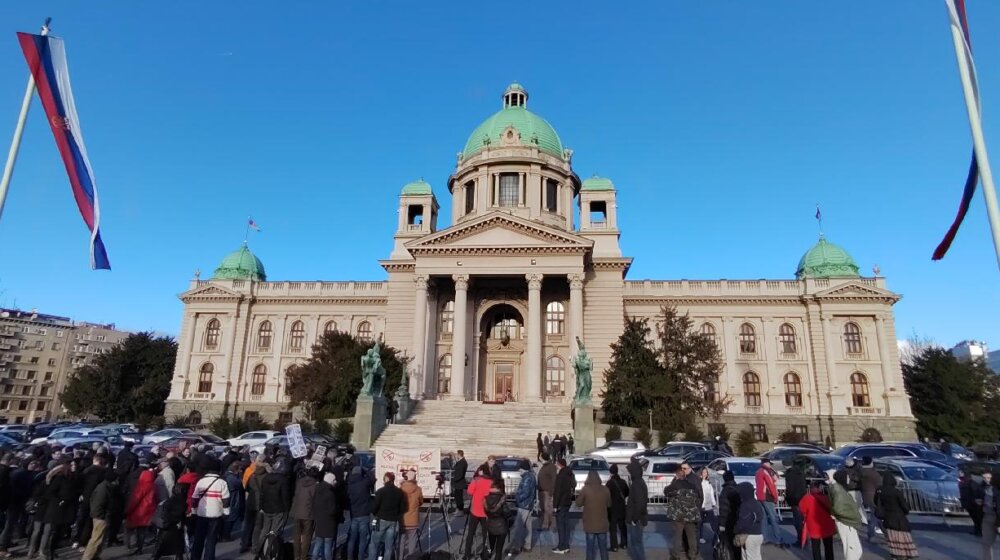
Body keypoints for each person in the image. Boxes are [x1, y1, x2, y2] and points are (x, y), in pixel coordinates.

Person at [190, 457, 232, 560]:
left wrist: (194, 511)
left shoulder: (201, 481)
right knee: (211, 539)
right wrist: (226, 513)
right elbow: (226, 500)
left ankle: (195, 557)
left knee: (198, 538)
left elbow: (194, 499)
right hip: (216, 514)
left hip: (202, 514)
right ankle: (208, 557)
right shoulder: (222, 483)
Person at [663, 464, 701, 560]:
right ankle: (692, 555)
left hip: (678, 516)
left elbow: (666, 491)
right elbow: (698, 498)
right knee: (692, 536)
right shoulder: (692, 486)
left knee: (677, 536)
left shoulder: (675, 485)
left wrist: (674, 481)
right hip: (691, 515)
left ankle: (676, 555)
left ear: (677, 475)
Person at [876, 474, 918, 559]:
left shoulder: (880, 491)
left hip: (888, 517)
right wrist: (906, 511)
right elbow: (904, 505)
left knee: (892, 537)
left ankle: (896, 554)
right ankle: (907, 553)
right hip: (899, 517)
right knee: (903, 536)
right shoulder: (896, 492)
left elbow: (876, 502)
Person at [256, 459, 291, 556]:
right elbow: (285, 497)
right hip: (279, 509)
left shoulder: (266, 478)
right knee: (274, 532)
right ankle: (271, 552)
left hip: (267, 508)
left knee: (264, 530)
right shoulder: (284, 480)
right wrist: (287, 509)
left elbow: (262, 494)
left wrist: (261, 507)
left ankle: (259, 550)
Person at [369, 472, 406, 560]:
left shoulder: (381, 491)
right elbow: (402, 508)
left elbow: (374, 506)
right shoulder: (399, 492)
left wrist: (375, 514)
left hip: (380, 519)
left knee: (374, 544)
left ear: (386, 479)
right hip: (393, 521)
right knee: (389, 546)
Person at [754, 458, 790, 547]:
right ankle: (778, 539)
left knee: (764, 518)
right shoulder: (767, 471)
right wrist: (775, 497)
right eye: (769, 463)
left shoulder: (758, 471)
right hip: (768, 497)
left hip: (760, 497)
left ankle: (765, 538)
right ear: (766, 463)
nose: (770, 465)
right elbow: (770, 484)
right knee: (774, 518)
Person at [82, 470, 117, 560]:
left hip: (101, 516)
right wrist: (103, 516)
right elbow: (98, 504)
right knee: (96, 539)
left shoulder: (106, 487)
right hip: (101, 517)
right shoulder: (104, 489)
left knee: (100, 539)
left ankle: (95, 555)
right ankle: (87, 557)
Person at [576, 471, 611, 560]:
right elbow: (609, 504)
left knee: (590, 548)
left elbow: (578, 503)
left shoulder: (585, 489)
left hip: (589, 523)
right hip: (602, 523)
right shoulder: (605, 489)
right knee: (603, 548)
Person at [829, 471, 863, 560]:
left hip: (848, 522)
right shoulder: (839, 491)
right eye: (847, 477)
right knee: (851, 549)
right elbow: (838, 509)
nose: (849, 479)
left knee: (856, 549)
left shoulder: (841, 489)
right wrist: (852, 516)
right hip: (846, 522)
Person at [797, 481, 835, 560]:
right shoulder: (826, 497)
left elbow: (801, 509)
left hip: (813, 525)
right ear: (820, 488)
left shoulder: (807, 498)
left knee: (815, 547)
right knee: (828, 547)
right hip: (827, 525)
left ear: (811, 488)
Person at [506, 459, 536, 556]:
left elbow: (525, 493)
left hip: (524, 505)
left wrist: (517, 498)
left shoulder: (527, 478)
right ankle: (527, 546)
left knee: (519, 526)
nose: (519, 471)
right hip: (529, 504)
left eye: (520, 469)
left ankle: (517, 547)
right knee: (528, 526)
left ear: (524, 469)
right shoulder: (531, 476)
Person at [125, 465, 157, 555]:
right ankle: (140, 548)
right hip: (149, 511)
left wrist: (127, 510)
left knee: (134, 530)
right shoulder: (154, 485)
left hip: (139, 512)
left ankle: (134, 547)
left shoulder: (141, 485)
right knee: (142, 531)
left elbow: (135, 500)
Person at [465, 466, 494, 560]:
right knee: (486, 533)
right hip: (486, 511)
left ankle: (467, 554)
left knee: (471, 533)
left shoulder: (476, 480)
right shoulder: (491, 482)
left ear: (481, 471)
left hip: (475, 510)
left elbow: (469, 492)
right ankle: (485, 553)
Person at [311, 472, 342, 560]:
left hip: (319, 521)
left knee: (317, 544)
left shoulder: (318, 490)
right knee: (328, 547)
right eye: (334, 480)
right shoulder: (330, 494)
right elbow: (332, 510)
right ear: (330, 481)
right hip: (328, 524)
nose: (335, 482)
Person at [346, 465, 374, 560]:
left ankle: (349, 557)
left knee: (352, 539)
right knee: (363, 539)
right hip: (364, 514)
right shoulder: (364, 483)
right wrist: (366, 470)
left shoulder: (349, 483)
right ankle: (360, 557)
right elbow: (373, 478)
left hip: (354, 514)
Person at [291, 467, 318, 560]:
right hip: (308, 513)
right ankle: (303, 556)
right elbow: (315, 500)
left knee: (296, 536)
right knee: (307, 537)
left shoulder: (299, 482)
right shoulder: (315, 485)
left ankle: (296, 556)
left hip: (297, 512)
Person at [624, 459, 647, 560]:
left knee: (636, 543)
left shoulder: (637, 484)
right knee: (637, 543)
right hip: (638, 518)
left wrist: (634, 519)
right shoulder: (639, 481)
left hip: (636, 519)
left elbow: (640, 504)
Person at [552, 458, 576, 554]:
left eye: (556, 464)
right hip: (567, 502)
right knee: (566, 525)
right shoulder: (570, 474)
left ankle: (561, 546)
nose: (555, 466)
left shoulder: (560, 475)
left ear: (560, 465)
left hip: (561, 503)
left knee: (561, 526)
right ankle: (566, 546)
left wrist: (555, 505)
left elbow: (557, 492)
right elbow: (574, 485)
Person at [734, 482, 763, 560]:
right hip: (758, 534)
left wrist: (735, 530)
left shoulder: (745, 505)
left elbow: (742, 522)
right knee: (756, 556)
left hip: (749, 536)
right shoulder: (757, 503)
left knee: (749, 557)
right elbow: (760, 517)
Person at [716, 471, 741, 560]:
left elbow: (723, 509)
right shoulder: (737, 488)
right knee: (737, 544)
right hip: (738, 520)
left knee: (729, 544)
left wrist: (722, 525)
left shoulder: (725, 491)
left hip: (728, 521)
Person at [399, 468, 424, 558]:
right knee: (412, 540)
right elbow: (421, 501)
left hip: (403, 519)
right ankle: (411, 557)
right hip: (413, 519)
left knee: (401, 540)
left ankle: (400, 557)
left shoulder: (401, 488)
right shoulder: (418, 489)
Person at [783, 457, 807, 544]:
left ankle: (800, 539)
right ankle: (804, 538)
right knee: (802, 520)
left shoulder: (789, 475)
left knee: (797, 521)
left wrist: (788, 498)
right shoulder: (800, 472)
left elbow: (790, 489)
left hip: (794, 499)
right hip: (802, 498)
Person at [859, 456, 883, 542]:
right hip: (875, 497)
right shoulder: (873, 473)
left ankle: (874, 533)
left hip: (866, 496)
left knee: (876, 516)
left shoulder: (861, 472)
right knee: (876, 516)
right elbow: (880, 484)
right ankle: (872, 534)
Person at [606, 464, 629, 552]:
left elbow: (606, 495)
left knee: (613, 528)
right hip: (622, 507)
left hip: (612, 508)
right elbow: (627, 492)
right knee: (622, 526)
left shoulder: (609, 483)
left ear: (610, 472)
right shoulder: (623, 482)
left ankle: (614, 546)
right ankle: (624, 544)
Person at [484, 479, 509, 560]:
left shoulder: (486, 497)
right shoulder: (502, 498)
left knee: (490, 547)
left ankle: (488, 555)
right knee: (499, 550)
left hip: (491, 525)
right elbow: (507, 513)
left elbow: (485, 511)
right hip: (501, 526)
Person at [221, 460, 245, 541]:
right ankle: (225, 536)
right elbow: (241, 485)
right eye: (240, 469)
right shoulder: (232, 478)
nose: (241, 471)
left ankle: (224, 535)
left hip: (230, 498)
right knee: (230, 518)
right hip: (232, 499)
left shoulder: (226, 475)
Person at [961, 468, 986, 537]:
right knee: (976, 518)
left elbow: (974, 492)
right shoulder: (967, 482)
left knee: (977, 518)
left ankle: (980, 531)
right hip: (970, 502)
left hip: (973, 503)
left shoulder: (971, 482)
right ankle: (977, 530)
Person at [537, 454, 557, 537]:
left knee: (548, 509)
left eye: (541, 457)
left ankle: (551, 526)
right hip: (542, 491)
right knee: (544, 509)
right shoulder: (544, 466)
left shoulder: (551, 467)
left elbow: (554, 479)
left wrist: (552, 492)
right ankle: (545, 525)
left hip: (547, 491)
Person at [698, 467, 718, 545]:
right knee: (701, 522)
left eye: (706, 472)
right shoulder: (699, 483)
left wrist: (714, 504)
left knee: (713, 521)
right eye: (703, 472)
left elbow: (711, 494)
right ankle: (701, 537)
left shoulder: (708, 482)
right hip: (702, 506)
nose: (705, 474)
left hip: (709, 505)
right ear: (700, 473)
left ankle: (716, 535)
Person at [982, 471, 997, 560]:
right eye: (985, 478)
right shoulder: (985, 489)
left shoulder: (993, 490)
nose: (987, 480)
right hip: (989, 517)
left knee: (987, 544)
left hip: (994, 517)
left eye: (989, 478)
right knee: (986, 543)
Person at [452, 450, 469, 514]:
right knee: (457, 497)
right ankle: (458, 509)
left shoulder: (462, 462)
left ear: (459, 455)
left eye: (456, 455)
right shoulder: (460, 462)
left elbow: (460, 474)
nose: (456, 456)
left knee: (459, 497)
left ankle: (460, 510)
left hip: (459, 482)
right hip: (458, 482)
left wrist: (454, 479)